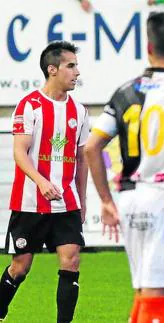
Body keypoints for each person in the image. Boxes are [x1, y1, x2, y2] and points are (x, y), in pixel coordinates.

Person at [85, 12, 164, 323]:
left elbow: (91, 147)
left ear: (148, 47)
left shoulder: (125, 91)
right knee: (157, 292)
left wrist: (106, 201)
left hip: (128, 200)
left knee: (143, 289)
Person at [0, 41, 89, 323]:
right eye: (71, 66)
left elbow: (82, 159)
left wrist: (82, 201)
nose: (77, 72)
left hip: (66, 203)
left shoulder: (80, 111)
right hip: (30, 202)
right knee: (20, 266)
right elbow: (19, 152)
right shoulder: (30, 106)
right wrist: (40, 181)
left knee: (71, 259)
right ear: (52, 69)